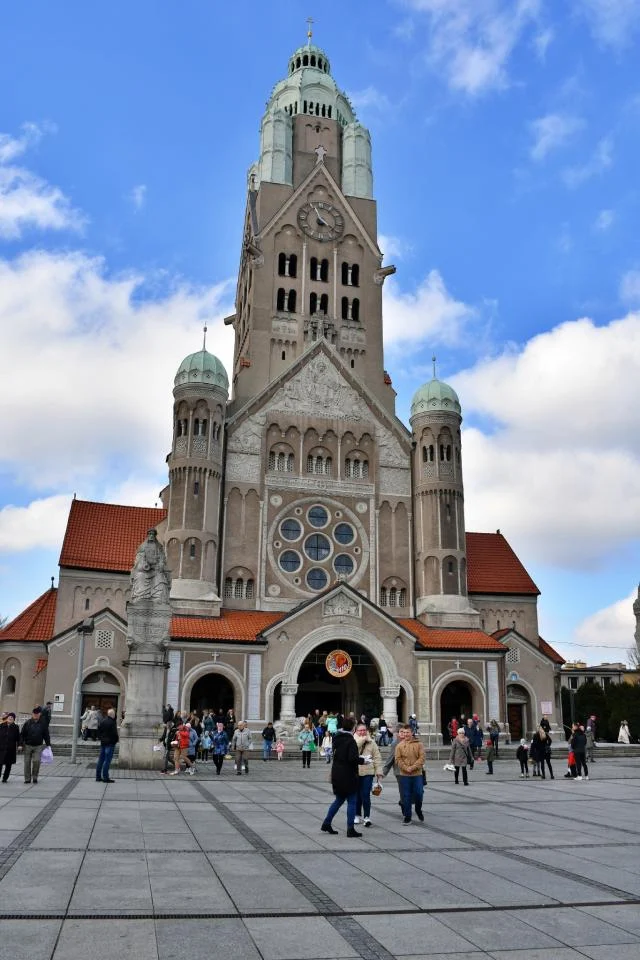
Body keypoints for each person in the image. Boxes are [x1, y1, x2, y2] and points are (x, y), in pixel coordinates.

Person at [321, 717, 369, 837]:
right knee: (352, 801)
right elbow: (352, 758)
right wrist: (363, 760)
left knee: (339, 800)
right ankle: (350, 829)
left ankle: (326, 823)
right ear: (353, 727)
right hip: (348, 775)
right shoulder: (350, 740)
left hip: (337, 773)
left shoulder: (337, 738)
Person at [353, 722, 383, 827]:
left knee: (365, 794)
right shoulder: (352, 741)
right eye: (360, 730)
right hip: (355, 772)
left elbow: (377, 758)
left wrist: (379, 772)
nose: (362, 732)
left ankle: (367, 817)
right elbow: (353, 750)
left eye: (364, 730)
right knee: (357, 795)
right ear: (356, 731)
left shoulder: (372, 742)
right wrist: (362, 740)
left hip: (368, 772)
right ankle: (357, 815)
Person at [395, 723, 426, 824]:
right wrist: (405, 768)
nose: (405, 734)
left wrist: (413, 767)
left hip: (417, 774)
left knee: (419, 794)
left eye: (407, 732)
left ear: (412, 733)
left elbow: (422, 758)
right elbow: (398, 759)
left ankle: (418, 809)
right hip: (404, 775)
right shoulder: (399, 746)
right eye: (404, 732)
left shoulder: (419, 744)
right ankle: (407, 817)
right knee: (406, 796)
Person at [19, 707, 51, 784]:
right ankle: (27, 778)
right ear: (32, 714)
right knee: (27, 762)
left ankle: (35, 777)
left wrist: (48, 744)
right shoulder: (27, 723)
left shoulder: (43, 724)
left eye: (37, 714)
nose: (35, 715)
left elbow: (46, 735)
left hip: (38, 746)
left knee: (36, 761)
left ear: (40, 714)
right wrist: (20, 744)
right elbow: (22, 734)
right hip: (28, 745)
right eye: (34, 714)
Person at [95, 708, 119, 783]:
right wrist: (115, 741)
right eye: (114, 714)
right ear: (112, 714)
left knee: (101, 760)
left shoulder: (103, 721)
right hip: (110, 744)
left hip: (103, 743)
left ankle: (98, 777)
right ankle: (105, 778)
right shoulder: (112, 722)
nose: (115, 715)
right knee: (107, 761)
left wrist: (101, 739)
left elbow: (98, 732)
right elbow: (114, 734)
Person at [0, 712, 20, 782]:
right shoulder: (1, 726)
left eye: (12, 717)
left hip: (10, 749)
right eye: (9, 717)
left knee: (8, 765)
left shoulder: (16, 727)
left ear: (14, 719)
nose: (10, 718)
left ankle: (5, 778)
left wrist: (20, 745)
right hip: (1, 748)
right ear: (7, 718)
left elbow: (18, 738)